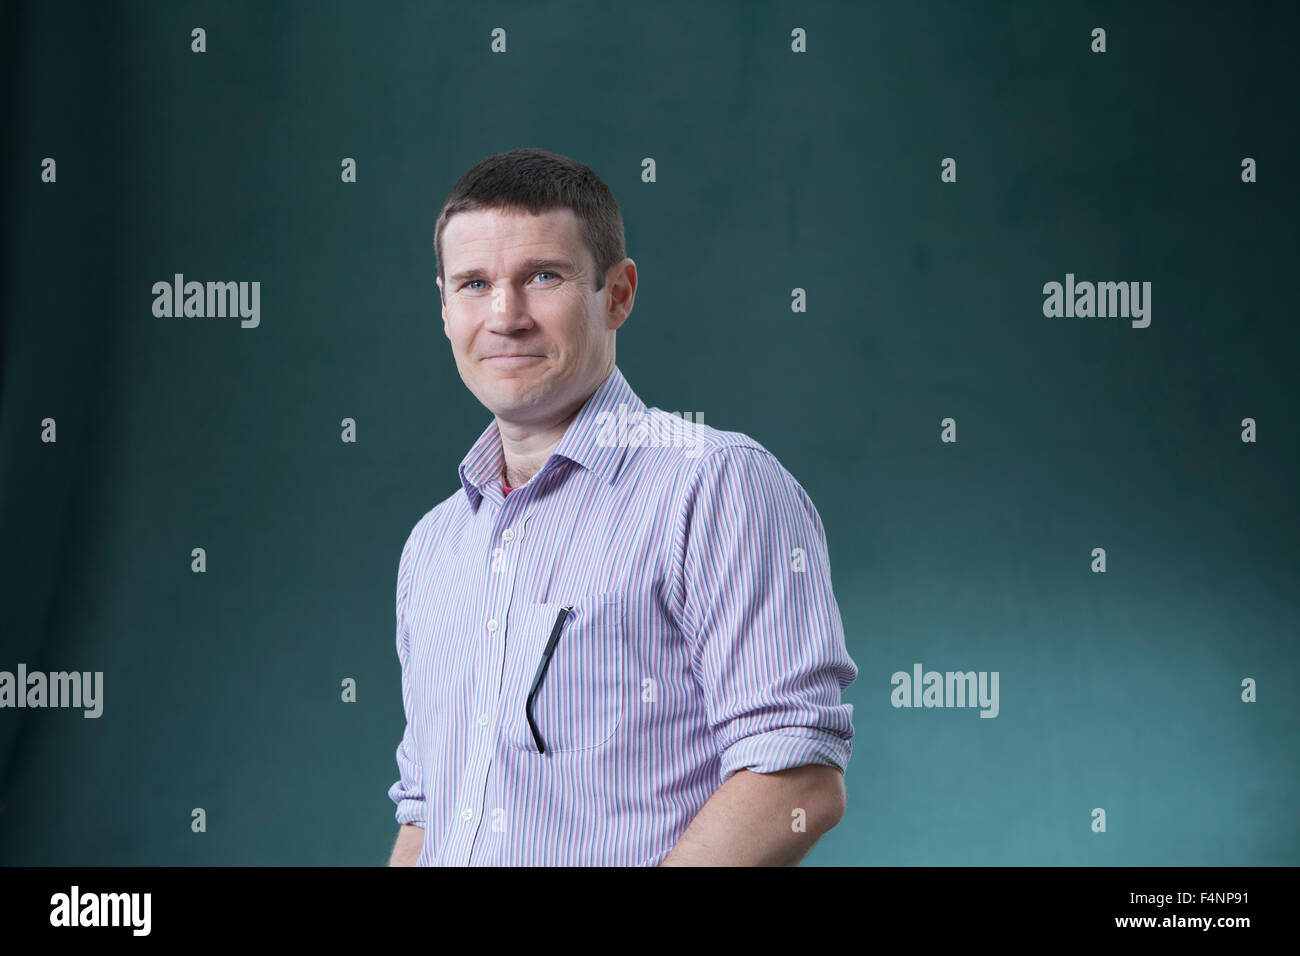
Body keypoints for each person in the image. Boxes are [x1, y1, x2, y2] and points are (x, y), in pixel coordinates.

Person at [387, 147, 857, 866]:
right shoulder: (433, 546)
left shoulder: (714, 486)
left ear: (618, 293)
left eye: (543, 277)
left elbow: (796, 781)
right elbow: (426, 815)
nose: (505, 315)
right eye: (475, 284)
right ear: (445, 308)